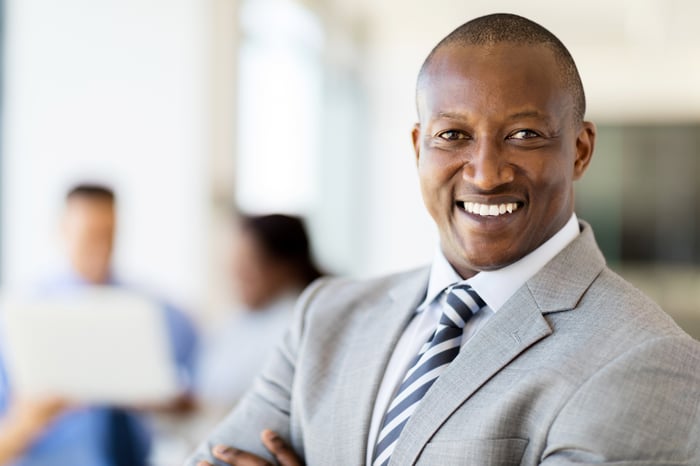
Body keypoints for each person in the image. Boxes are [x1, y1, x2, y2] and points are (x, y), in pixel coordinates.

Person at [187, 13, 700, 466]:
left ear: (581, 150)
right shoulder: (326, 318)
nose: (485, 173)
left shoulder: (647, 360)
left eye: (524, 135)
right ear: (419, 147)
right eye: (453, 135)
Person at [0, 183, 198, 466]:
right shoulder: (16, 321)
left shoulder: (163, 313)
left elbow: (201, 405)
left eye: (109, 235)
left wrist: (166, 400)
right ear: (62, 231)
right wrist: (31, 418)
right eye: (88, 236)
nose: (100, 249)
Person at [196, 213, 323, 407]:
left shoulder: (300, 326)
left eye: (247, 268)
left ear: (285, 267)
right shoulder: (237, 321)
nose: (237, 277)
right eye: (234, 267)